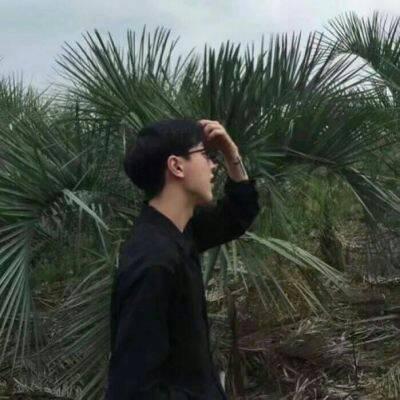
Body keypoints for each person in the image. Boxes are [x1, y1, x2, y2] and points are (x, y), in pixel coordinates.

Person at [105, 119, 260, 399]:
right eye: (205, 155)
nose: (214, 166)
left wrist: (232, 154)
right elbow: (133, 390)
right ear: (176, 166)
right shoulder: (153, 263)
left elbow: (238, 214)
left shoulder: (178, 231)